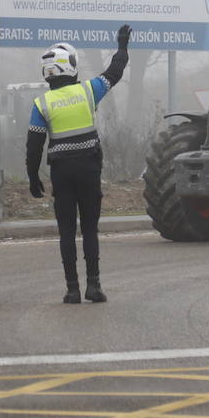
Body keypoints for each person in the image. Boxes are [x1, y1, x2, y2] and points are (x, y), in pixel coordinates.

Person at [27, 24, 130, 304]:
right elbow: (115, 73)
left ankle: (72, 289)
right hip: (88, 170)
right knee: (89, 229)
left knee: (66, 231)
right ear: (70, 67)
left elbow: (34, 145)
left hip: (61, 173)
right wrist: (122, 47)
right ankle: (94, 286)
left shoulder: (42, 104)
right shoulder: (88, 92)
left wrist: (32, 177)